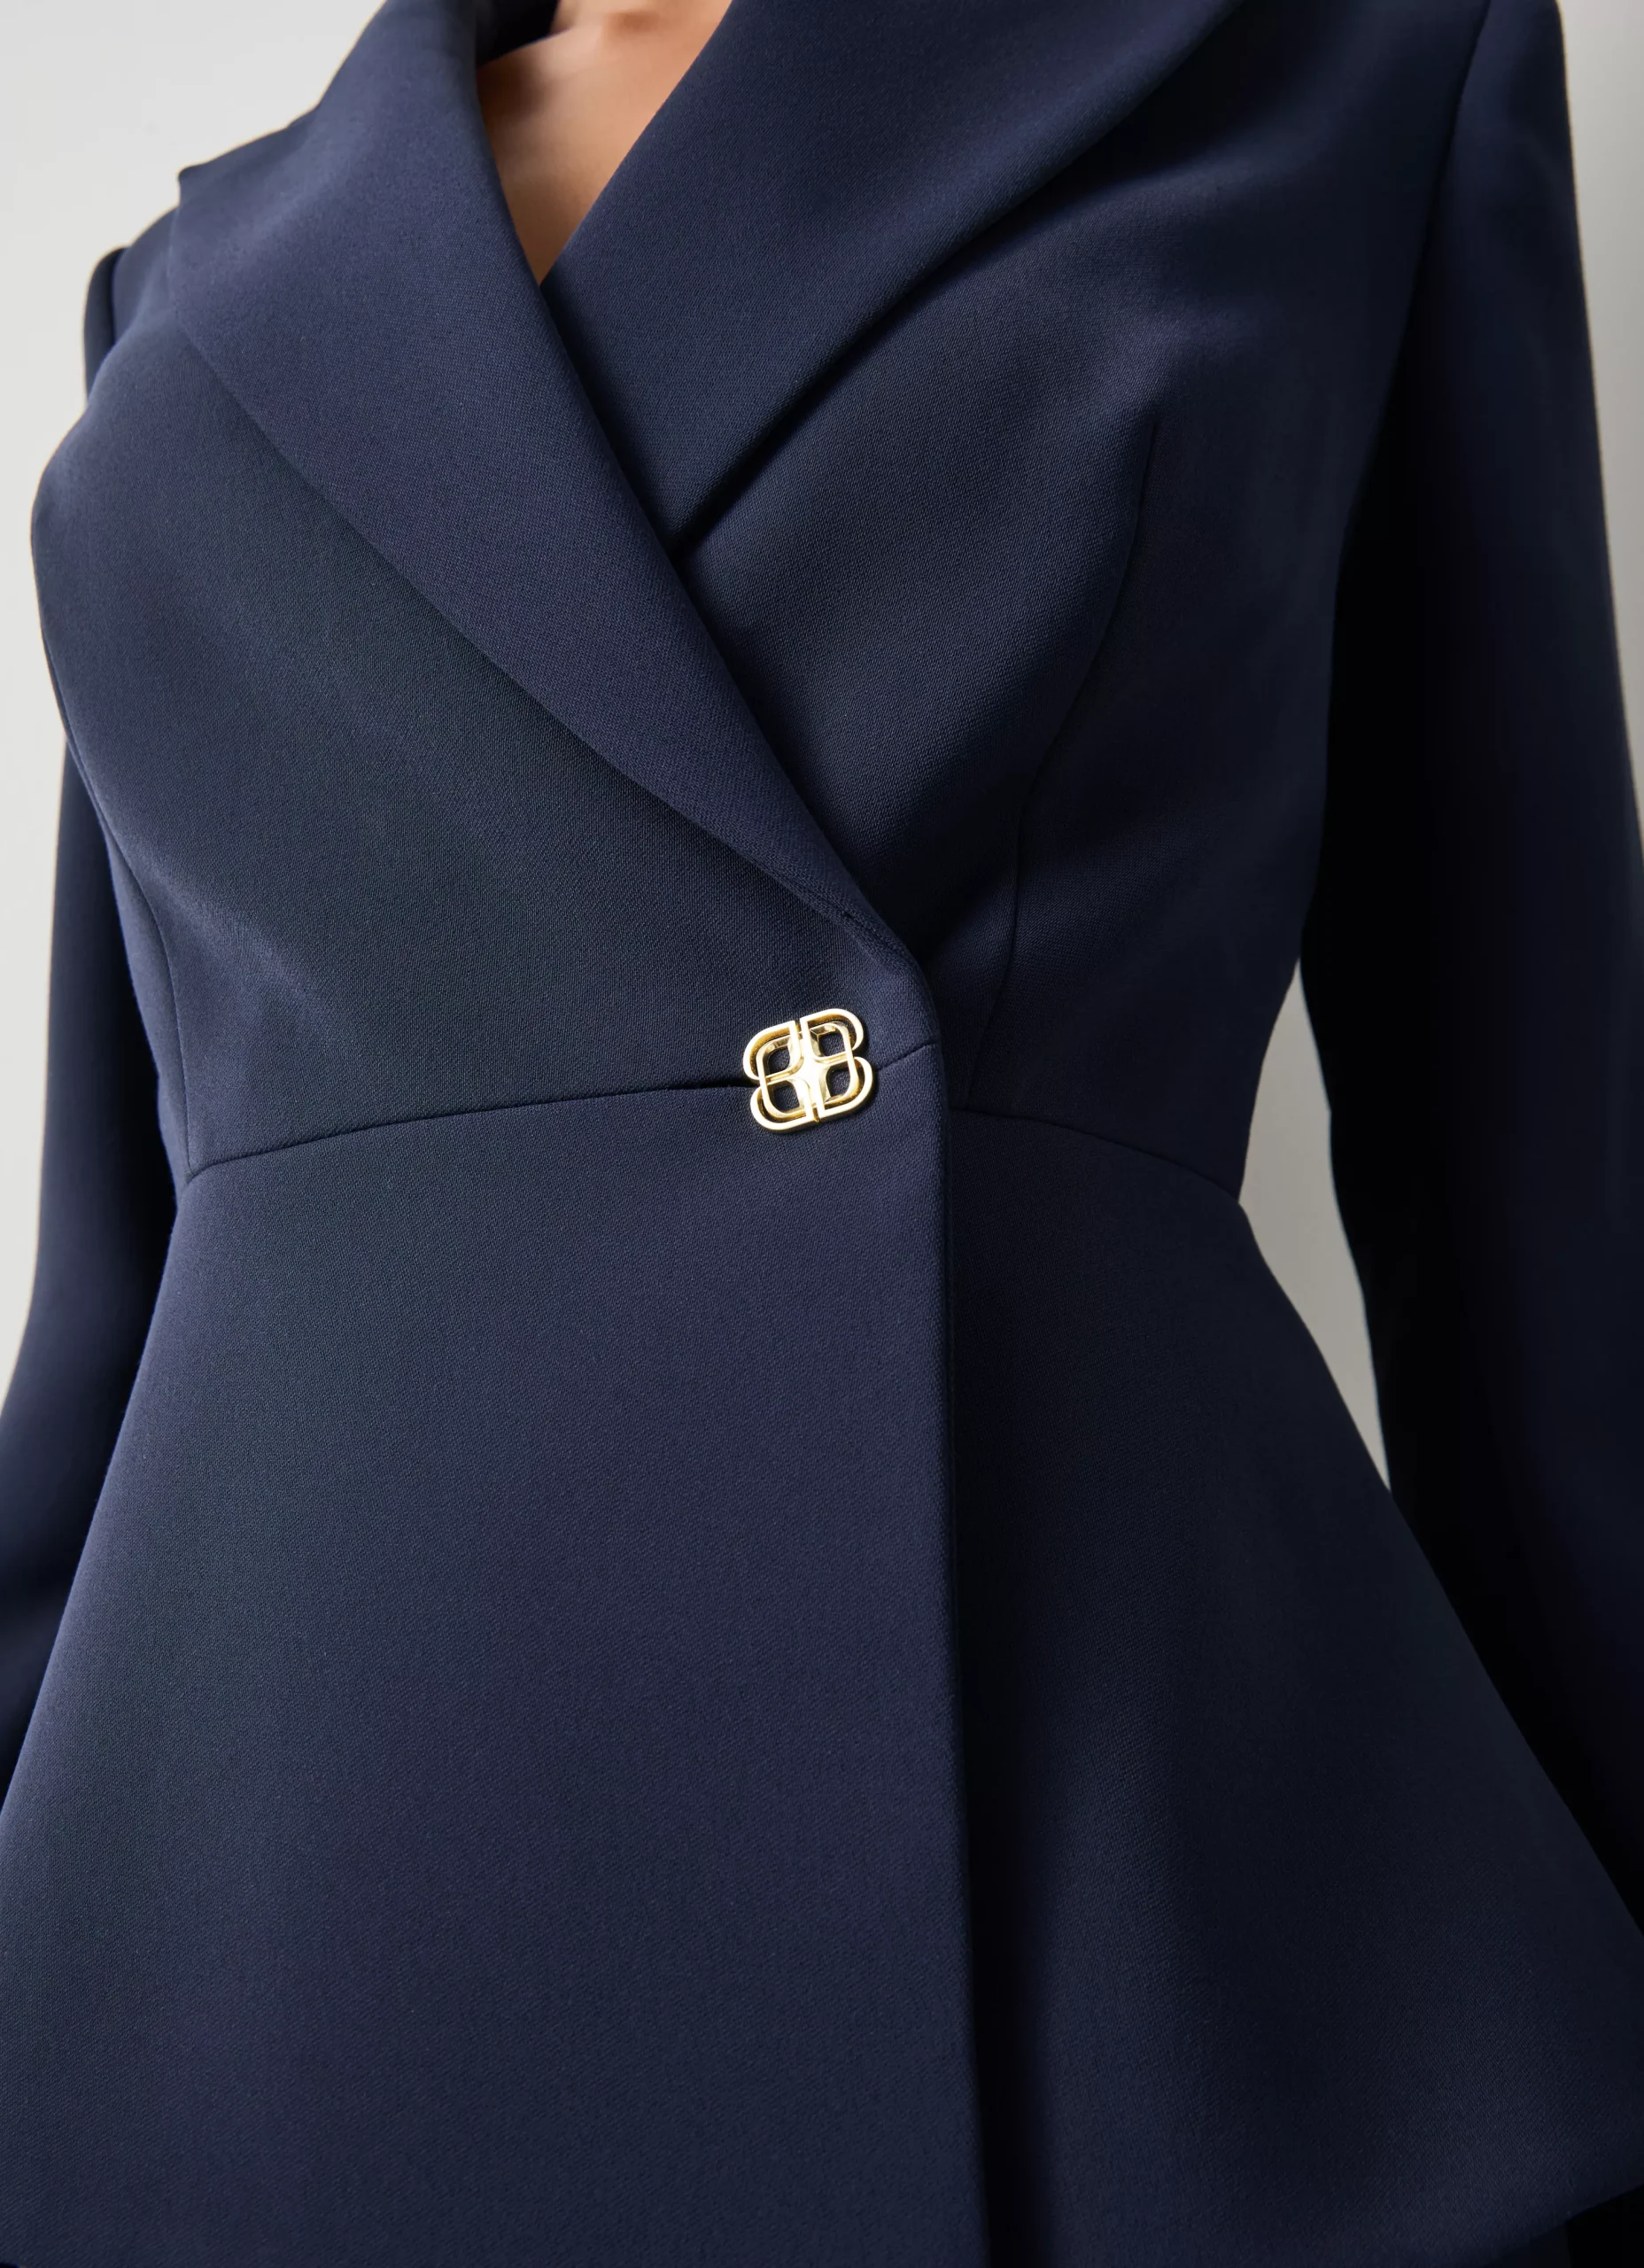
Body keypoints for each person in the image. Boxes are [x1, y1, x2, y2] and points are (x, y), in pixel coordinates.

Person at [1, 0, 1641, 2258]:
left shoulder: (1339, 74)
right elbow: (129, 1293)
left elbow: (1532, 1224)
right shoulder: (185, 293)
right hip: (227, 1923)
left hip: (1102, 1906)